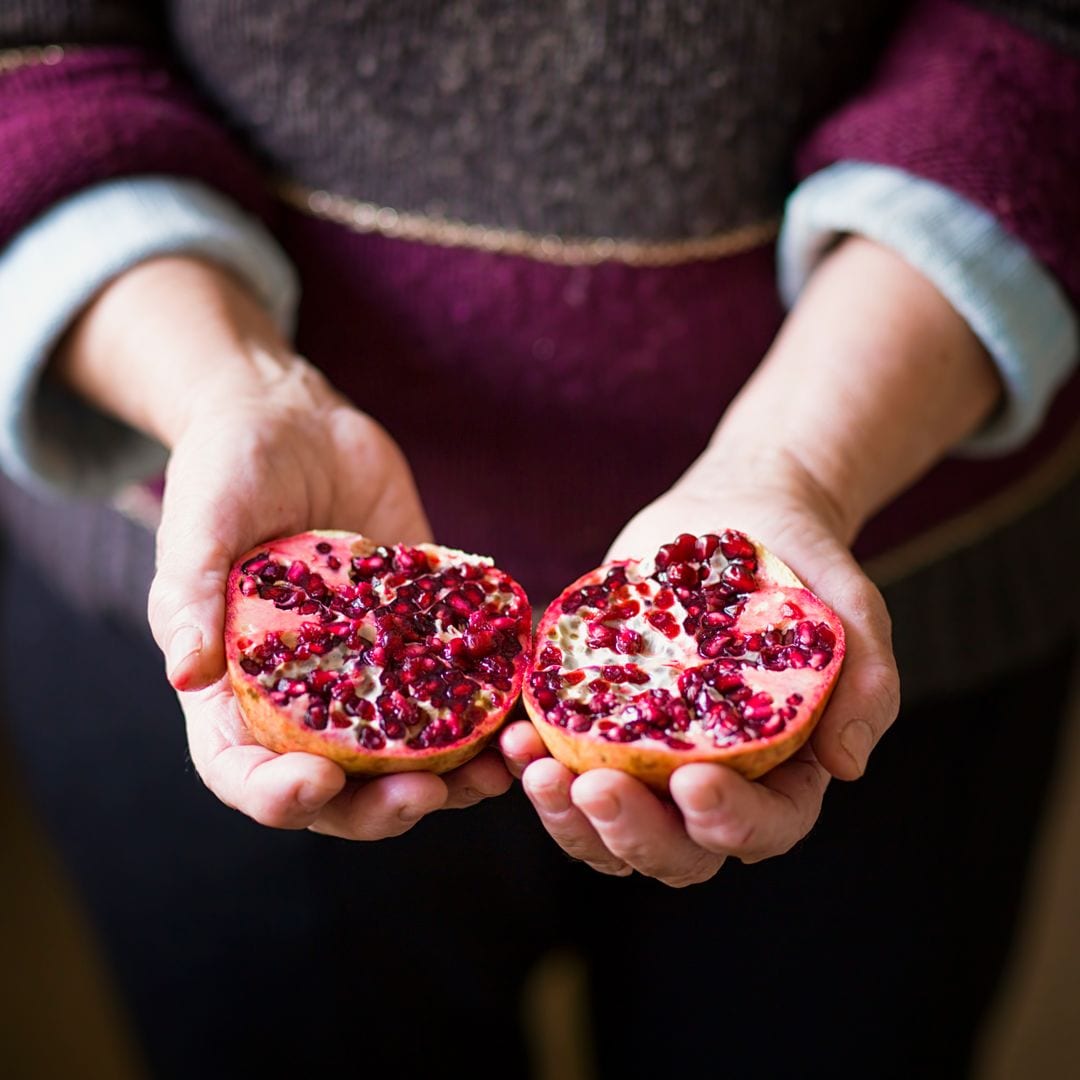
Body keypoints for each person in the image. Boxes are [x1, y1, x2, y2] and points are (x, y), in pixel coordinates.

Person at [0, 2, 1076, 1076]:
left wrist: (798, 464)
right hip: (174, 536)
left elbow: (1040, 43)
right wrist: (226, 389)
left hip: (909, 553)